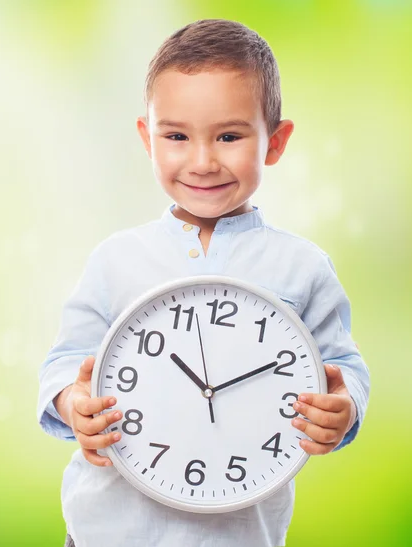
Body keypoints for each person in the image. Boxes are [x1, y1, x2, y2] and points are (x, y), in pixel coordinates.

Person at [37, 18, 370, 547]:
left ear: (275, 141)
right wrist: (71, 402)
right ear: (148, 139)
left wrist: (345, 405)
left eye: (229, 136)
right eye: (176, 136)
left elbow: (343, 367)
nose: (202, 161)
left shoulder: (301, 267)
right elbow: (62, 362)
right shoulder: (116, 261)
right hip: (108, 532)